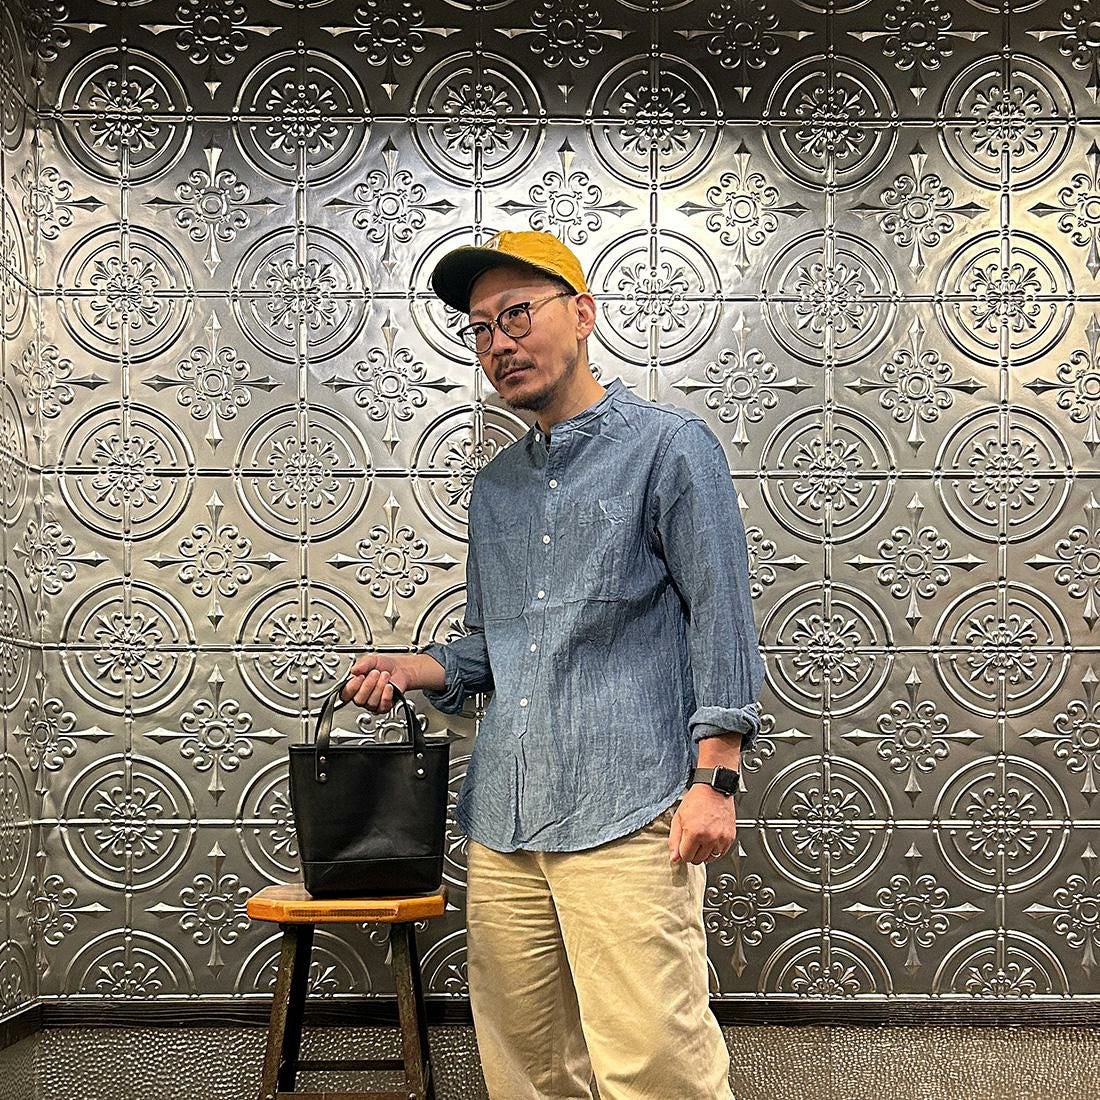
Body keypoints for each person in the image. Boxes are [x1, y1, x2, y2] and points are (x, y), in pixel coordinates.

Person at [341, 230, 764, 1100]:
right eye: (480, 328)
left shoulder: (670, 448)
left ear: (582, 314)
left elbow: (721, 617)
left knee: (655, 1067)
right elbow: (499, 646)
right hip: (506, 822)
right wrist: (417, 667)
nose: (498, 343)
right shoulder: (496, 488)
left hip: (629, 809)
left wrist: (715, 780)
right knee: (526, 1072)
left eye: (516, 315)